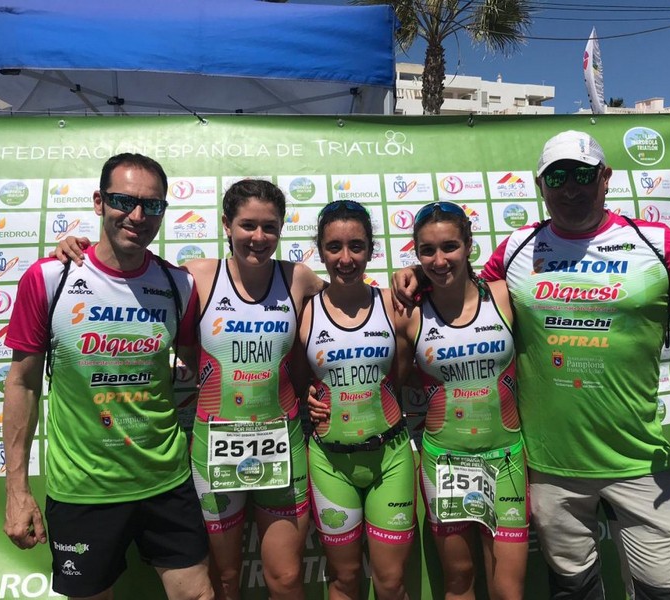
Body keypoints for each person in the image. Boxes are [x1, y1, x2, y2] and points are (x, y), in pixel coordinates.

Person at [393, 131, 670, 600]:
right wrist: (421, 273)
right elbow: (461, 289)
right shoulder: (519, 249)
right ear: (542, 185)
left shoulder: (656, 243)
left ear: (605, 178)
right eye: (557, 176)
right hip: (550, 467)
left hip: (638, 462)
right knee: (574, 590)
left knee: (664, 590)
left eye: (583, 175)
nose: (571, 187)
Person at [3, 153, 215, 600]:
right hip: (84, 489)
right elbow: (22, 384)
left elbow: (195, 367)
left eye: (152, 205)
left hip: (166, 481)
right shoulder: (49, 278)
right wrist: (17, 491)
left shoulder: (179, 285)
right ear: (100, 202)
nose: (137, 216)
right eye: (124, 200)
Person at [184, 179, 324, 599]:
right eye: (248, 225)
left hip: (282, 444)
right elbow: (124, 278)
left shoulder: (296, 277)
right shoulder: (197, 276)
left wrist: (414, 279)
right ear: (226, 224)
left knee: (284, 578)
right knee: (226, 579)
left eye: (270, 227)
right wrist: (73, 251)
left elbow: (357, 306)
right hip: (215, 447)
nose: (259, 238)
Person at [400, 201, 527, 600]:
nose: (439, 260)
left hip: (506, 456)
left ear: (469, 244)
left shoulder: (506, 296)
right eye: (427, 251)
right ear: (417, 253)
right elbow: (383, 376)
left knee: (508, 589)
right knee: (459, 580)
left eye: (450, 247)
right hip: (446, 461)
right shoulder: (408, 312)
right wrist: (321, 397)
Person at [300, 200, 416, 600]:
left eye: (357, 247)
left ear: (371, 249)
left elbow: (400, 376)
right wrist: (306, 398)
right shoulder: (304, 310)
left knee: (391, 582)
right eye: (334, 247)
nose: (345, 259)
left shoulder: (393, 304)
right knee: (345, 579)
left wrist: (413, 271)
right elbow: (295, 381)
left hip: (391, 458)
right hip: (330, 463)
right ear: (319, 250)